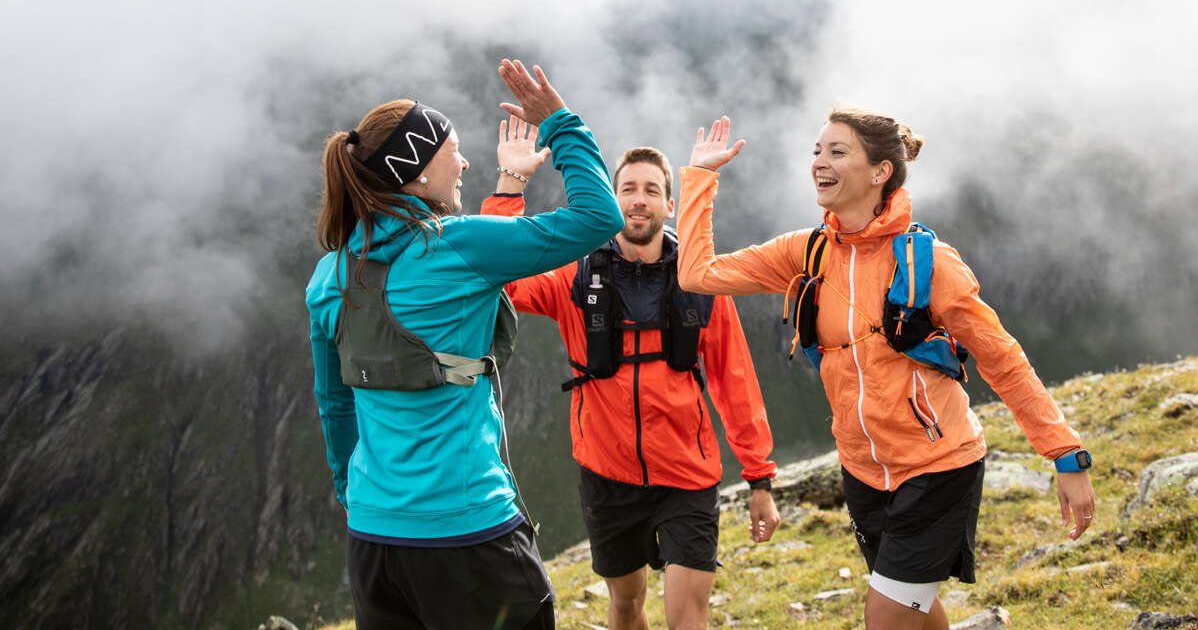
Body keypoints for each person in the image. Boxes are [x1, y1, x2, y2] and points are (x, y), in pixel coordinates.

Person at [676, 112, 1097, 630]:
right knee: (912, 607)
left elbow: (1001, 358)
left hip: (939, 467)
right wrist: (700, 177)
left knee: (885, 616)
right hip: (863, 472)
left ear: (880, 173)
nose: (819, 164)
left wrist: (1065, 453)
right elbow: (697, 274)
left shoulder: (929, 264)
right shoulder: (804, 253)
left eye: (837, 152)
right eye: (816, 151)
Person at [305, 60, 625, 630]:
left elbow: (335, 404)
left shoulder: (328, 276)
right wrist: (559, 123)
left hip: (374, 541)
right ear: (416, 172)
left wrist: (352, 492)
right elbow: (599, 218)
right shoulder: (456, 247)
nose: (465, 161)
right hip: (468, 531)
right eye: (452, 149)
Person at [480, 120, 780, 630]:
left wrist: (759, 478)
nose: (638, 200)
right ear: (611, 200)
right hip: (606, 473)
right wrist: (511, 185)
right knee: (626, 606)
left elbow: (735, 382)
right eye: (627, 190)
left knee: (688, 617)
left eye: (651, 190)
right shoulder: (574, 274)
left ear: (668, 204)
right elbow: (500, 275)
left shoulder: (701, 282)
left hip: (688, 475)